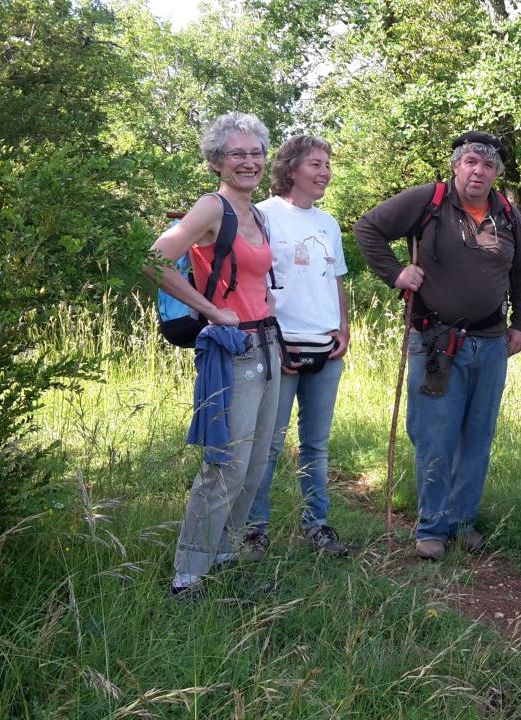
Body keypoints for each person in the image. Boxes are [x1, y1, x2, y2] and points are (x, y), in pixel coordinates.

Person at [353, 130, 521, 561]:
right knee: (436, 434)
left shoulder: (506, 213)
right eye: (471, 161)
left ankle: (463, 521)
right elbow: (367, 229)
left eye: (488, 165)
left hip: (491, 344)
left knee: (478, 435)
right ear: (456, 166)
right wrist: (396, 273)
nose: (479, 171)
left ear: (496, 174)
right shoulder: (428, 201)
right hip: (436, 340)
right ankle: (432, 526)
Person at [145, 112, 281, 596]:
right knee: (226, 463)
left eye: (256, 153)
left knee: (259, 460)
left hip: (267, 345)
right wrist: (209, 310)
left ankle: (222, 554)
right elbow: (153, 259)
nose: (249, 162)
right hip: (232, 351)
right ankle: (188, 573)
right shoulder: (211, 209)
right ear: (216, 161)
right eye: (237, 154)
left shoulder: (257, 213)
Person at [242, 134, 350, 560]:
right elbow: (251, 280)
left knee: (316, 445)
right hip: (278, 345)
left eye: (327, 165)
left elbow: (336, 277)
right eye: (315, 164)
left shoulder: (328, 223)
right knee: (267, 442)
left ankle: (317, 525)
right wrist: (273, 338)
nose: (324, 172)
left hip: (326, 347)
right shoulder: (263, 216)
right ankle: (254, 529)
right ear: (290, 169)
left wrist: (343, 327)